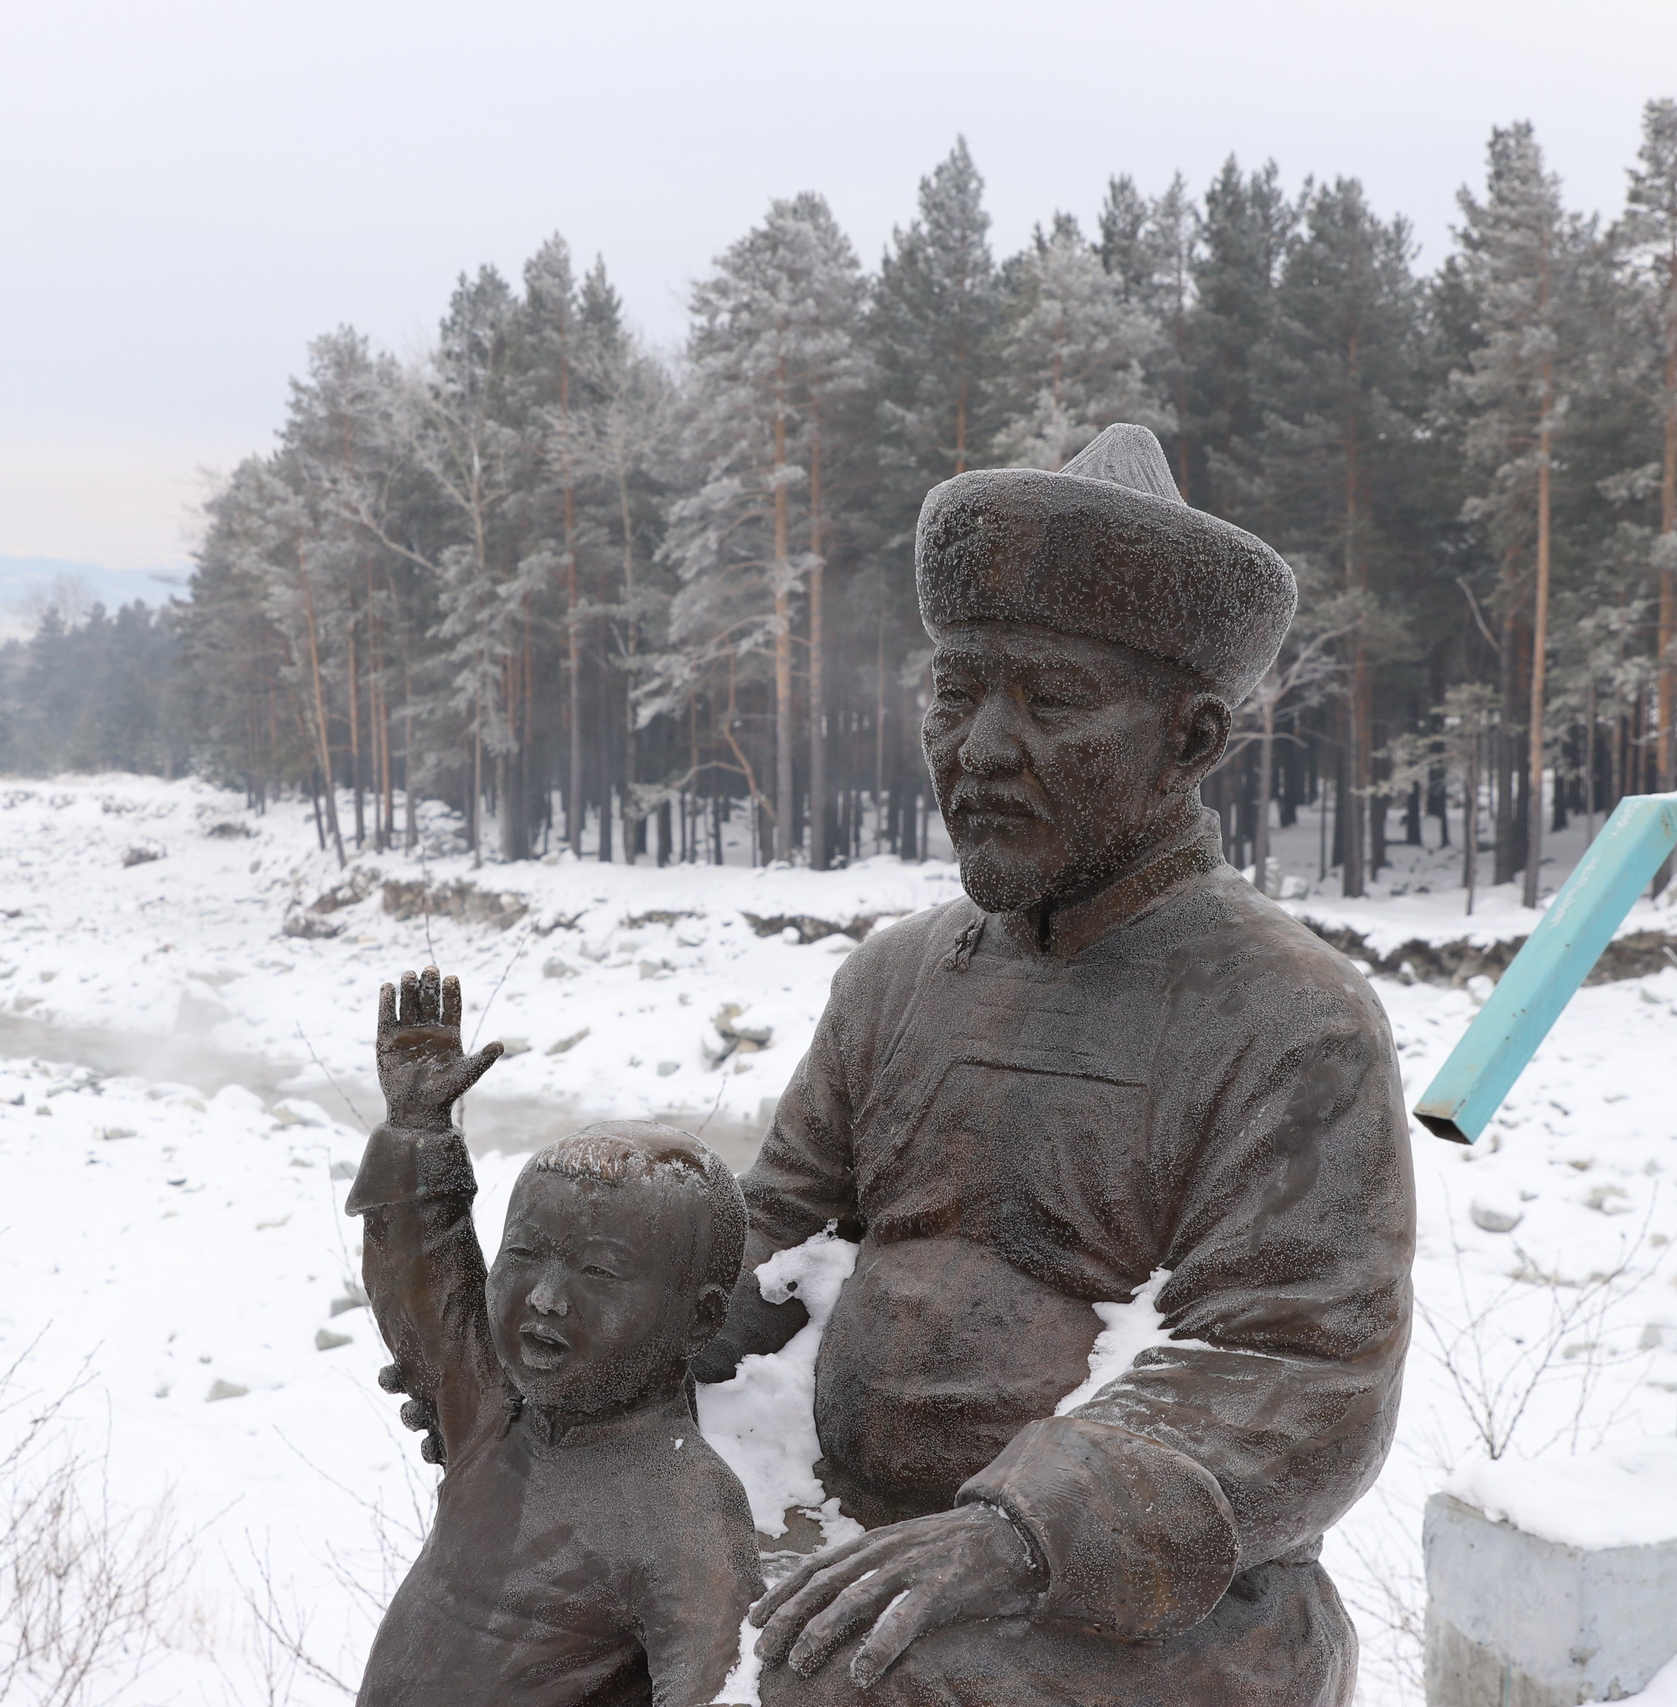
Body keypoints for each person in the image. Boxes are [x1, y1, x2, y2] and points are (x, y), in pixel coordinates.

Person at [701, 425, 1418, 1705]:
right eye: (956, 691)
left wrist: (1018, 1536)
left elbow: (1298, 1369)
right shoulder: (893, 981)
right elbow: (775, 1248)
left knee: (863, 1681)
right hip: (860, 1536)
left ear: (1192, 739)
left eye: (1051, 700)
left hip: (1150, 1619)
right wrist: (590, 1306)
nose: (979, 747)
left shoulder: (1289, 1017)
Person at [349, 965, 762, 1707]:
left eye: (599, 1272)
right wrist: (417, 1133)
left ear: (697, 1318)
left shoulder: (684, 1509)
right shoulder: (497, 1414)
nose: (544, 1298)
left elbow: (719, 1685)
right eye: (527, 1255)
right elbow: (426, 1293)